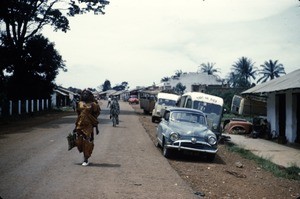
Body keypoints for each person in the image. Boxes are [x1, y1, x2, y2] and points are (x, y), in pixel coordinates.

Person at [73, 89, 101, 166]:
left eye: (87, 94)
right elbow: (78, 114)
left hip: (89, 125)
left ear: (89, 95)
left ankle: (86, 158)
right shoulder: (79, 103)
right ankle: (84, 153)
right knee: (79, 141)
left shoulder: (93, 104)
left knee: (87, 141)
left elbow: (95, 115)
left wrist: (96, 127)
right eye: (84, 94)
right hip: (80, 124)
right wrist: (75, 126)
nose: (85, 95)